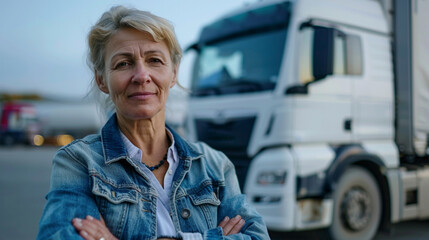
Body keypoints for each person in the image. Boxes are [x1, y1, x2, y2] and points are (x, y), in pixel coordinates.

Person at [37, 5, 270, 240]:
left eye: (155, 60)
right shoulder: (79, 162)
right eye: (123, 64)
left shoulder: (215, 165)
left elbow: (258, 237)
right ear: (102, 80)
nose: (141, 76)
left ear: (174, 73)